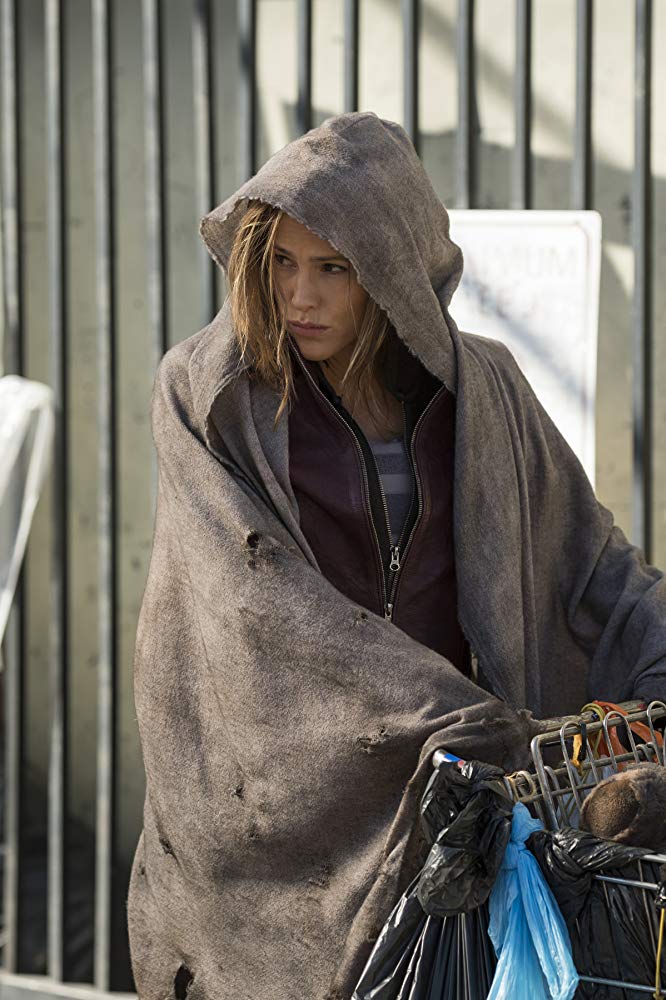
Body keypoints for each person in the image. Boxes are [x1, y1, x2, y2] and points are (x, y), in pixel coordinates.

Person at [126, 111, 666, 1000]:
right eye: (282, 261)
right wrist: (461, 721)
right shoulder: (210, 397)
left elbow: (592, 563)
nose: (299, 296)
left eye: (333, 268)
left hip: (457, 819)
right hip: (277, 822)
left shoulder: (485, 389)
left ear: (392, 270)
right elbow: (260, 613)